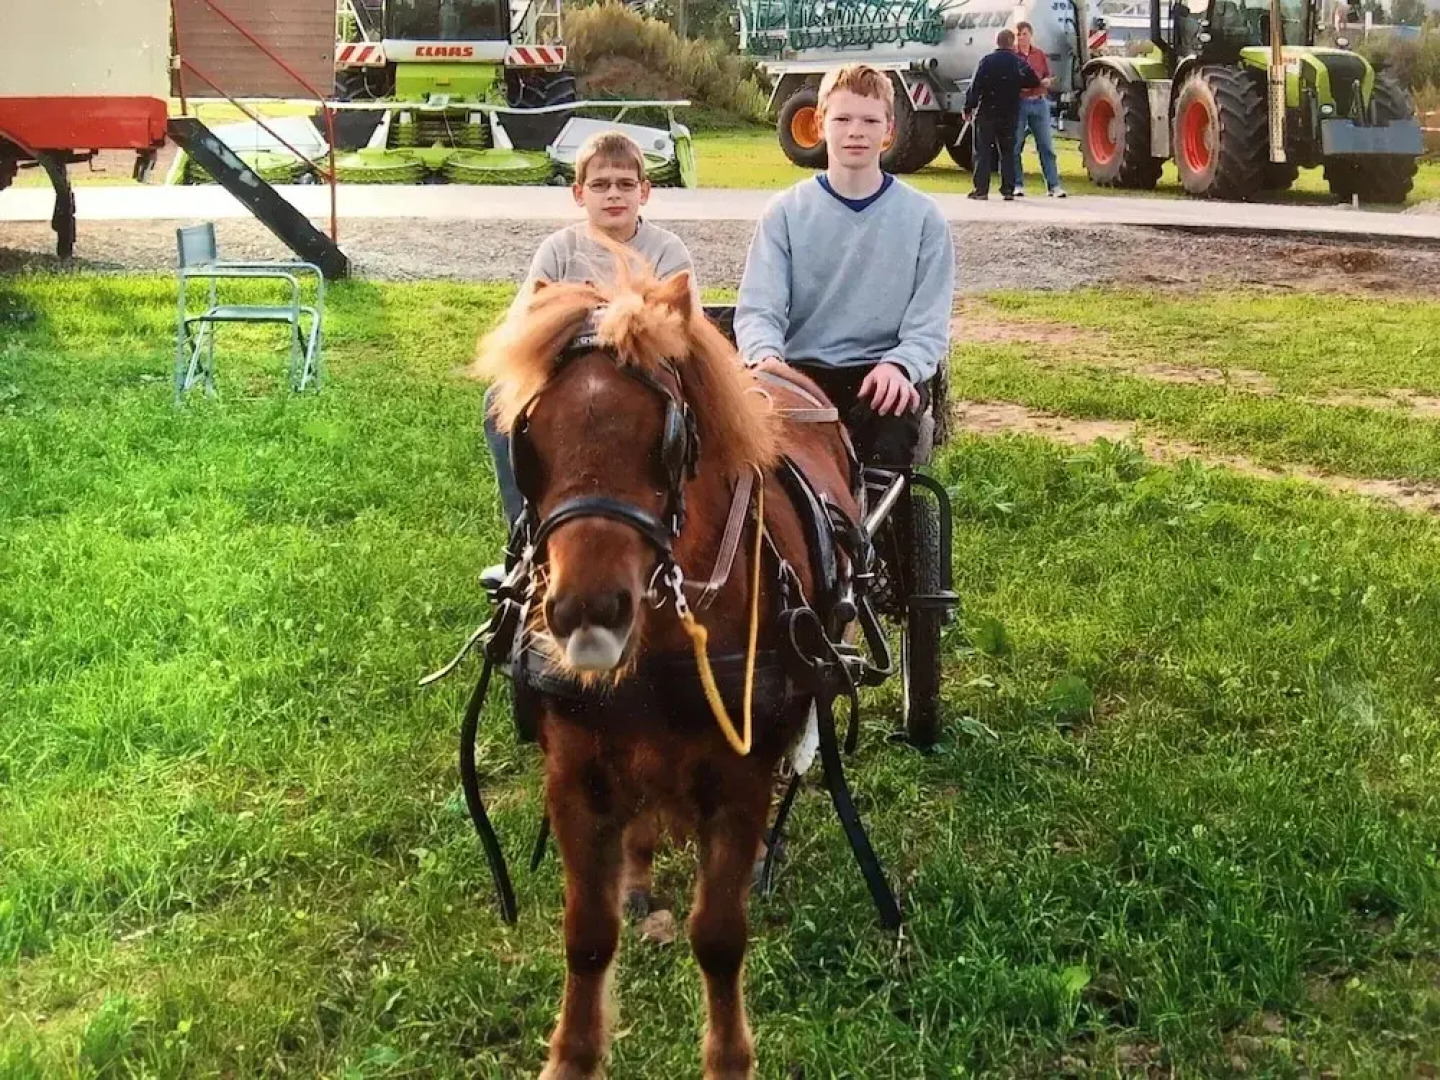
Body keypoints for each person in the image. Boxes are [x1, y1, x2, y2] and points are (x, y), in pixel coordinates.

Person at [480, 131, 695, 585]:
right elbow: (528, 322)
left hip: (645, 376)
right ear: (579, 194)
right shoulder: (558, 251)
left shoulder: (668, 250)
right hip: (567, 376)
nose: (613, 194)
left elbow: (681, 327)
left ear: (645, 191)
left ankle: (683, 525)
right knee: (497, 403)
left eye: (624, 183)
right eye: (599, 185)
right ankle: (524, 531)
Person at [734, 62, 955, 475]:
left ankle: (880, 535)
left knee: (889, 433)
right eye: (843, 119)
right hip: (801, 372)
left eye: (870, 120)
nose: (856, 131)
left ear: (889, 130)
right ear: (819, 124)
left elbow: (928, 324)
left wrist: (900, 366)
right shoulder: (785, 213)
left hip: (880, 371)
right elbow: (759, 309)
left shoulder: (924, 219)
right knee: (774, 471)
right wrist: (767, 360)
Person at [962, 28, 1041, 201]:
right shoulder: (1018, 62)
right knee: (1007, 152)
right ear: (1012, 43)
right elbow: (1034, 81)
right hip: (1010, 112)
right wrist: (1017, 84)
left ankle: (981, 190)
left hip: (987, 111)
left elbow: (975, 86)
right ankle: (1008, 189)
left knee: (982, 151)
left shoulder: (987, 61)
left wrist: (968, 107)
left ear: (996, 42)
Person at [1012, 21, 1065, 198]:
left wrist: (1047, 81)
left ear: (1031, 35)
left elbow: (1046, 74)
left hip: (1039, 102)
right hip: (1020, 102)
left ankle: (1053, 185)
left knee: (1046, 146)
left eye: (1024, 34)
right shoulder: (1012, 55)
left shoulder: (1039, 54)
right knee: (1015, 145)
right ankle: (1017, 184)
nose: (1021, 37)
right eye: (1018, 34)